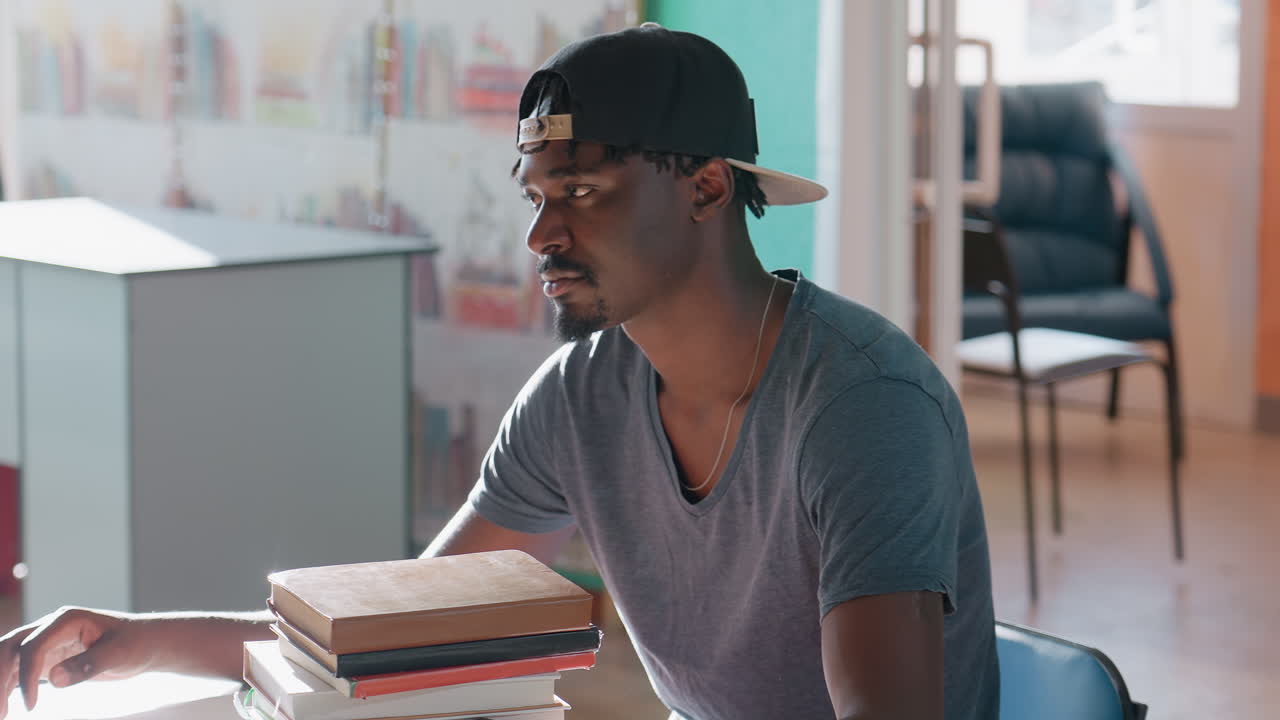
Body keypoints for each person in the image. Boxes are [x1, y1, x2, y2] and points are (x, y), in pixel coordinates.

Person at [0, 24, 998, 720]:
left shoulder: (860, 408)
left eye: (580, 189)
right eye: (534, 192)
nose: (539, 231)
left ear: (701, 186)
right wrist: (131, 641)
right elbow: (387, 627)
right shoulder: (581, 399)